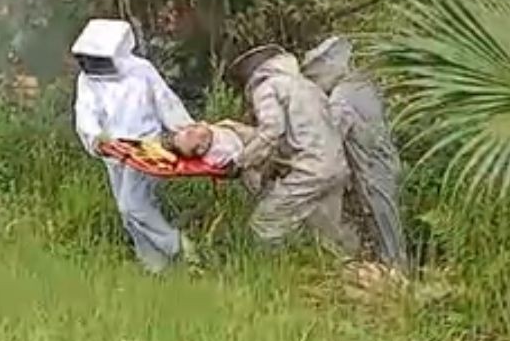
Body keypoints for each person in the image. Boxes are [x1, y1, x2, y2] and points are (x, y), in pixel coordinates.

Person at [72, 18, 197, 272]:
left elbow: (166, 103)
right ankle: (157, 267)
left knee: (132, 205)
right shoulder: (88, 80)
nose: (95, 64)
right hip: (113, 152)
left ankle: (182, 249)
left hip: (147, 148)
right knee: (128, 214)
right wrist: (96, 138)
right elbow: (85, 112)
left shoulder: (142, 70)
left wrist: (186, 131)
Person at [227, 44, 358, 257]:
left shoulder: (267, 87)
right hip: (337, 167)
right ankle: (348, 274)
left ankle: (272, 276)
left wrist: (241, 162)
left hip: (309, 170)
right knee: (329, 236)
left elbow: (271, 131)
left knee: (266, 222)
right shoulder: (307, 86)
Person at [301, 35, 407, 269]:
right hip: (381, 164)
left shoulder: (343, 95)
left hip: (373, 169)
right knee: (384, 220)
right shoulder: (363, 86)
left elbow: (332, 133)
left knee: (384, 222)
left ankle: (397, 275)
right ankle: (392, 270)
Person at [170, 120, 253, 171]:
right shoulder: (216, 153)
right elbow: (238, 158)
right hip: (247, 147)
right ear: (200, 149)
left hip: (236, 133)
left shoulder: (208, 130)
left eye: (194, 128)